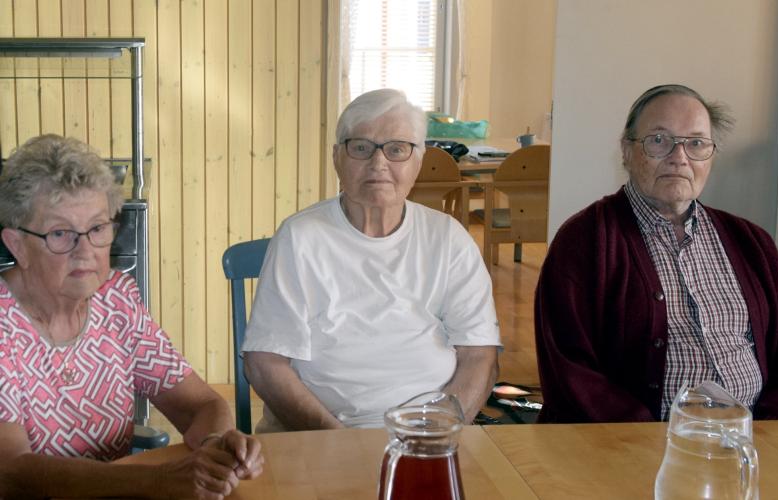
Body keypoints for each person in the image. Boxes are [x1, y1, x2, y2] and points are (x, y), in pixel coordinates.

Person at [0, 135, 263, 499]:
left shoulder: (115, 301)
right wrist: (157, 480)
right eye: (61, 234)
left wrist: (216, 446)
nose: (87, 252)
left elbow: (202, 405)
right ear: (16, 245)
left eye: (97, 228)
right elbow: (12, 472)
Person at [535, 84, 778, 423]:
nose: (680, 157)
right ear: (627, 151)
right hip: (632, 449)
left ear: (712, 156)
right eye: (659, 140)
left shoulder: (751, 242)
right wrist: (648, 440)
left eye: (696, 143)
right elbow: (568, 371)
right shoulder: (585, 240)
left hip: (751, 443)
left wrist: (768, 428)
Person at [243, 88, 501, 431]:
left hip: (427, 437)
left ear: (418, 162)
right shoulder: (300, 237)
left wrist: (433, 436)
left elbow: (478, 355)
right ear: (337, 158)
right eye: (361, 148)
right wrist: (338, 442)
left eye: (397, 149)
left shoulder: (449, 239)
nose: (379, 163)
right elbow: (265, 362)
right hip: (319, 437)